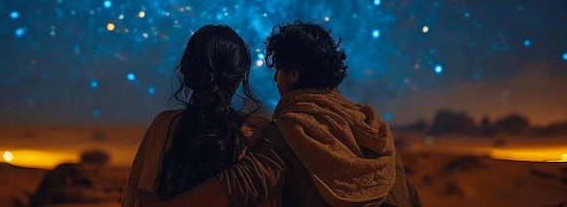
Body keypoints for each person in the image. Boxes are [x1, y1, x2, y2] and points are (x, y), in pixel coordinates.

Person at [149, 20, 422, 207]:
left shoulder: (296, 128)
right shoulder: (370, 125)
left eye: (278, 71)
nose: (275, 80)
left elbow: (238, 186)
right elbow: (410, 197)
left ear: (293, 74)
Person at [122, 24, 275, 207]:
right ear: (239, 75)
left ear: (187, 72)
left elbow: (134, 197)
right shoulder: (257, 132)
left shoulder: (165, 126)